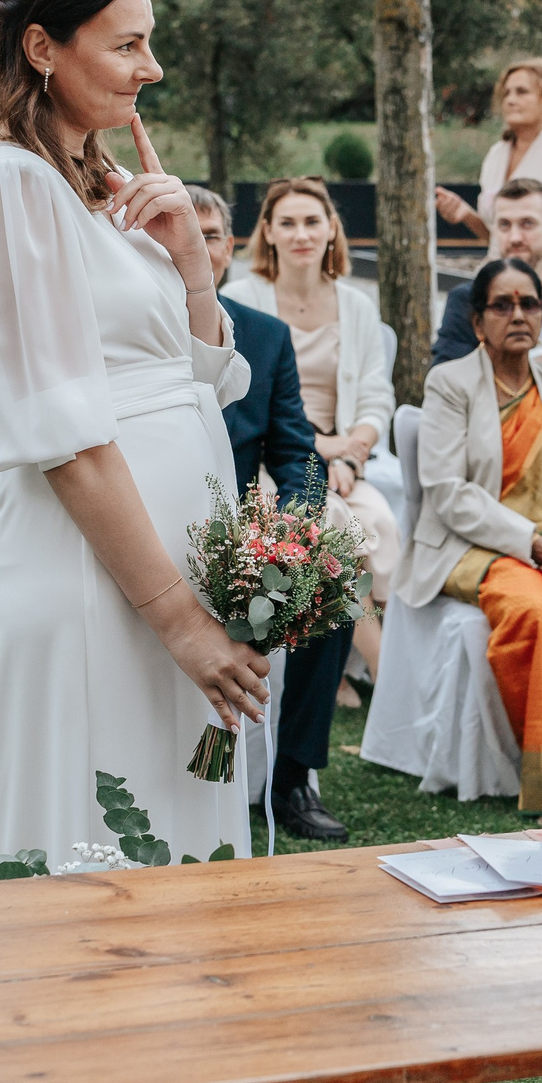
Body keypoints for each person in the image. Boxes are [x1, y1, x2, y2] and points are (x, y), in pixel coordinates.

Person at [0, 0, 268, 877]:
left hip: (158, 569)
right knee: (97, 860)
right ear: (42, 47)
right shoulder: (12, 186)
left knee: (168, 853)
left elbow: (203, 380)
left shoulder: (95, 186)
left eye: (150, 41)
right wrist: (179, 618)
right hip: (96, 583)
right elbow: (66, 438)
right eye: (127, 44)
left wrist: (188, 258)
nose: (154, 66)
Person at [403, 258, 542, 820]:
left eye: (531, 304)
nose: (519, 315)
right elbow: (447, 492)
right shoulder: (450, 383)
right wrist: (532, 542)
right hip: (471, 550)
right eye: (503, 305)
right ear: (477, 322)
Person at [195, 189, 349, 842]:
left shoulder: (266, 337)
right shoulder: (127, 334)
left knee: (330, 587)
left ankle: (291, 777)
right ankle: (206, 773)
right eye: (182, 233)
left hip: (239, 534)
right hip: (147, 534)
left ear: (230, 249)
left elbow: (298, 458)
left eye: (210, 234)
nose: (196, 248)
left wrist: (289, 536)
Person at [222, 177, 397, 698]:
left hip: (346, 455)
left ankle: (339, 661)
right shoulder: (239, 300)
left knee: (380, 521)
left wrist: (354, 454)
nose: (301, 233)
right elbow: (249, 407)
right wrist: (324, 456)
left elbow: (375, 397)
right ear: (269, 234)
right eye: (288, 223)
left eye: (312, 221)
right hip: (273, 463)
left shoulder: (357, 305)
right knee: (336, 524)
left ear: (331, 231)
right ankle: (385, 676)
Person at [433, 58, 542, 284]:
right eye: (507, 93)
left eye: (522, 92)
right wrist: (467, 216)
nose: (511, 100)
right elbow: (502, 239)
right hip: (498, 288)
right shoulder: (496, 154)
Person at [429, 179, 542, 368]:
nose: (515, 237)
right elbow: (443, 378)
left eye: (527, 224)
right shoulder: (467, 300)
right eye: (504, 225)